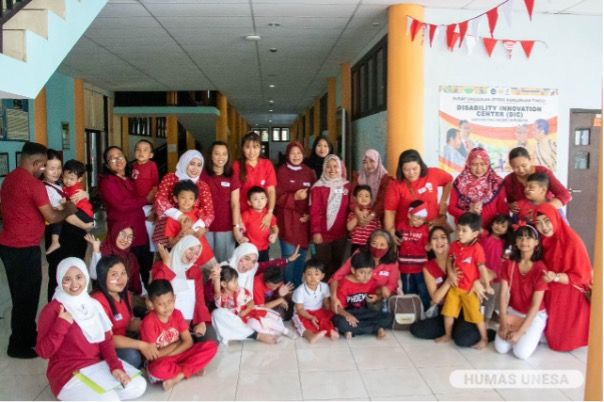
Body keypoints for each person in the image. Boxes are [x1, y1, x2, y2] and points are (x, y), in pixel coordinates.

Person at [0, 142, 77, 358]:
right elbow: (51, 216)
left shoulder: (10, 179)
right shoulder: (33, 184)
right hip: (23, 248)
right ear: (36, 163)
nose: (43, 170)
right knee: (26, 298)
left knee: (23, 296)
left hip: (10, 246)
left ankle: (28, 335)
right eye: (43, 166)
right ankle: (17, 345)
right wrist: (69, 208)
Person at [36, 257, 147, 400]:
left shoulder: (93, 304)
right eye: (67, 279)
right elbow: (43, 352)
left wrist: (115, 367)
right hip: (67, 372)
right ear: (59, 279)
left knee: (138, 385)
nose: (74, 284)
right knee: (110, 399)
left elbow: (106, 342)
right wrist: (61, 325)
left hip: (96, 366)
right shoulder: (52, 309)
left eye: (79, 277)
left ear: (86, 277)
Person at [409, 227, 496, 346]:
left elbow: (492, 274)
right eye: (435, 238)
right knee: (416, 329)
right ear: (429, 245)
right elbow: (435, 299)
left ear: (449, 243)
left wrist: (477, 281)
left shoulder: (461, 257)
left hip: (465, 309)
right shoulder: (428, 267)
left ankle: (482, 333)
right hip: (446, 312)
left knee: (463, 340)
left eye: (443, 238)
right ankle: (454, 331)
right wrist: (449, 280)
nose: (439, 241)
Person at [141, 279, 218, 391]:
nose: (167, 307)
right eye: (161, 304)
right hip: (162, 360)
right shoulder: (148, 322)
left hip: (181, 353)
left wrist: (175, 350)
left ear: (175, 298)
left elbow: (188, 341)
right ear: (152, 304)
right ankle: (190, 369)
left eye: (170, 301)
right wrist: (174, 346)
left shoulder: (177, 314)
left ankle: (179, 376)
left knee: (211, 347)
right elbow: (154, 356)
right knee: (157, 369)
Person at [534, 203, 591, 351]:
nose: (544, 227)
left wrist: (556, 277)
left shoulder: (572, 242)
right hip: (552, 284)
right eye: (538, 223)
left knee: (561, 343)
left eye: (547, 221)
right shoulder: (545, 240)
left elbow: (582, 277)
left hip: (571, 290)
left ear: (555, 218)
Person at [436, 212, 492, 349]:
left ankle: (484, 339)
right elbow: (449, 260)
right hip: (455, 288)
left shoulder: (477, 249)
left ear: (475, 234)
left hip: (469, 291)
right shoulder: (454, 245)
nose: (459, 233)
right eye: (458, 229)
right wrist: (450, 273)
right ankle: (448, 335)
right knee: (448, 312)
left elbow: (482, 268)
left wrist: (486, 284)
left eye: (464, 231)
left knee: (476, 316)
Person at [42, 149, 92, 302]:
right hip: (61, 240)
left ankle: (74, 308)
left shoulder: (62, 185)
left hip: (75, 239)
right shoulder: (42, 188)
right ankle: (55, 311)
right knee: (59, 277)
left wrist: (86, 194)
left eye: (58, 168)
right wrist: (86, 225)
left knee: (75, 274)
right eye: (52, 168)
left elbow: (78, 203)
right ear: (42, 168)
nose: (56, 172)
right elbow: (56, 215)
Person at [100, 146, 153, 286]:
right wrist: (146, 199)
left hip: (139, 230)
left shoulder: (129, 178)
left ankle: (143, 300)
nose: (118, 160)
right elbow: (121, 204)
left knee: (144, 266)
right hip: (122, 234)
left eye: (120, 156)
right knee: (126, 270)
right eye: (112, 158)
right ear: (106, 164)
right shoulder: (107, 182)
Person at [92, 255, 156, 369]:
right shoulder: (98, 301)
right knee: (132, 357)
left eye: (123, 273)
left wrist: (151, 323)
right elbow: (108, 340)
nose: (121, 279)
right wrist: (141, 345)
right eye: (114, 275)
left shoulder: (125, 294)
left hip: (123, 338)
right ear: (102, 277)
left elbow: (129, 323)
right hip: (104, 347)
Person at [495, 224, 548, 360]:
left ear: (536, 242)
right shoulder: (509, 264)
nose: (524, 242)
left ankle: (538, 333)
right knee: (500, 348)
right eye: (520, 238)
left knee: (521, 353)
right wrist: (503, 324)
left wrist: (520, 332)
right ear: (516, 241)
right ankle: (524, 333)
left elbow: (535, 305)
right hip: (514, 311)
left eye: (529, 238)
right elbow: (504, 295)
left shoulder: (540, 268)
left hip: (534, 315)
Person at [151, 236, 217, 343]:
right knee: (176, 346)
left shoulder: (195, 270)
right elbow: (157, 291)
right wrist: (167, 265)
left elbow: (199, 298)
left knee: (211, 341)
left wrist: (201, 321)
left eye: (196, 253)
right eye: (190, 249)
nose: (192, 255)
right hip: (166, 319)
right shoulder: (160, 266)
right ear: (182, 246)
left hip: (191, 320)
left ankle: (187, 341)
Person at [384, 149, 452, 244]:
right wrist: (391, 232)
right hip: (408, 235)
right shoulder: (395, 185)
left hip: (432, 232)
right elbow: (390, 212)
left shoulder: (432, 173)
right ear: (401, 169)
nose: (411, 173)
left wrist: (443, 203)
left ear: (421, 165)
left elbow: (449, 181)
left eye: (415, 168)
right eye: (406, 170)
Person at [153, 150, 215, 253]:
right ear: (184, 162)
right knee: (167, 262)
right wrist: (179, 216)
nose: (195, 168)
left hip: (192, 230)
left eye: (199, 165)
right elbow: (160, 200)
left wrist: (196, 228)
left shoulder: (202, 186)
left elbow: (209, 212)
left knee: (190, 261)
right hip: (168, 231)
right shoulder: (170, 178)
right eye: (192, 163)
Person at [212, 265, 292, 344]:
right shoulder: (222, 297)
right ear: (224, 284)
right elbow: (217, 292)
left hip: (249, 314)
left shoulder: (241, 291)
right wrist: (217, 278)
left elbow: (251, 302)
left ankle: (284, 330)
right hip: (237, 320)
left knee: (265, 321)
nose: (237, 283)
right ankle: (270, 335)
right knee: (255, 326)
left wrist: (246, 310)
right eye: (234, 281)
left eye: (237, 280)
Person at [329, 229, 399, 313]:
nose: (378, 248)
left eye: (382, 245)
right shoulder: (360, 254)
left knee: (384, 316)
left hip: (376, 299)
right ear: (369, 243)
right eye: (374, 243)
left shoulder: (392, 262)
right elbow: (337, 277)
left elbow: (392, 287)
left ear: (389, 247)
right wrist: (333, 298)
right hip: (353, 298)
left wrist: (379, 296)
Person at [276, 141, 316, 287]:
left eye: (299, 153)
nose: (296, 156)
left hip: (303, 223)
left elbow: (314, 198)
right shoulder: (281, 171)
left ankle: (298, 289)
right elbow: (276, 197)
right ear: (287, 154)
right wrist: (294, 198)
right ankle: (287, 290)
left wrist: (310, 214)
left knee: (301, 258)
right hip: (287, 221)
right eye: (293, 153)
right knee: (289, 258)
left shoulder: (308, 172)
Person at [332, 251, 393, 339]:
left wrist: (377, 297)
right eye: (362, 272)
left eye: (369, 272)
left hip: (363, 312)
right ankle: (375, 328)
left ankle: (353, 331)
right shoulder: (344, 284)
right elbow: (336, 308)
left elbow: (377, 294)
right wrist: (347, 315)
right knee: (340, 322)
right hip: (347, 313)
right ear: (353, 270)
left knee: (388, 317)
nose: (366, 276)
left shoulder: (371, 281)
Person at [201, 141, 244, 262]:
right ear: (211, 155)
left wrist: (236, 227)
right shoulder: (202, 175)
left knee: (224, 264)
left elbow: (235, 204)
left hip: (226, 227)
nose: (221, 157)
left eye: (224, 154)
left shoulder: (231, 175)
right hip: (205, 227)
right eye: (217, 154)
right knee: (206, 264)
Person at [310, 154, 350, 279]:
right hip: (323, 234)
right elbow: (314, 212)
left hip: (341, 234)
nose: (332, 170)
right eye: (328, 167)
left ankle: (333, 292)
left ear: (340, 168)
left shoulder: (347, 186)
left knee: (337, 265)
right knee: (322, 266)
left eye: (335, 166)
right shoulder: (317, 187)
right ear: (324, 168)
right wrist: (316, 232)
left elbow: (351, 207)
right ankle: (321, 293)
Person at [448, 147, 508, 230]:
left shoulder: (496, 183)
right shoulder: (460, 182)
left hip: (491, 233)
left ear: (488, 164)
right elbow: (451, 208)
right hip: (466, 232)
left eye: (482, 164)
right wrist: (468, 212)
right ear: (468, 164)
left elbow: (503, 211)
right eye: (474, 164)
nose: (479, 169)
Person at [46, 159, 94, 255]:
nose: (67, 181)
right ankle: (55, 241)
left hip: (84, 215)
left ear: (79, 179)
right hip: (80, 217)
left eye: (71, 179)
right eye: (65, 177)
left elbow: (70, 207)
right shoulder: (65, 186)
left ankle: (55, 241)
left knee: (61, 212)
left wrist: (64, 203)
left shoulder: (74, 189)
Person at [164, 180, 216, 270]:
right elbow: (171, 244)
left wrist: (204, 230)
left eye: (191, 198)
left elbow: (206, 227)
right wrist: (183, 231)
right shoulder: (172, 219)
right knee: (194, 282)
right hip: (187, 261)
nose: (187, 201)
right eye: (183, 197)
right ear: (176, 198)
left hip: (206, 255)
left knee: (215, 277)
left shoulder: (198, 213)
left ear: (195, 200)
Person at [503, 147, 571, 214]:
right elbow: (507, 201)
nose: (521, 170)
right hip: (524, 218)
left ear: (530, 160)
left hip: (547, 214)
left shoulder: (543, 172)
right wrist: (510, 206)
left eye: (524, 166)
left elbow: (565, 195)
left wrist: (541, 210)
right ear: (511, 165)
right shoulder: (509, 180)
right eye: (516, 167)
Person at [85, 223, 144, 296]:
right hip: (106, 298)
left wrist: (145, 295)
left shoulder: (131, 258)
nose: (125, 239)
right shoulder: (104, 252)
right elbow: (95, 276)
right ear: (114, 233)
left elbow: (138, 281)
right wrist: (96, 249)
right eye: (122, 234)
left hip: (126, 299)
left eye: (130, 237)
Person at [233, 132, 277, 225]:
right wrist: (238, 218)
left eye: (255, 147)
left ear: (260, 148)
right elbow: (235, 196)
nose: (251, 151)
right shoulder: (237, 165)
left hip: (263, 215)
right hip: (243, 215)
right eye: (248, 147)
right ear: (242, 148)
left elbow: (271, 191)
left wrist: (270, 213)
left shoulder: (267, 164)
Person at [292, 259, 338, 343]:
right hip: (303, 312)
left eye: (316, 274)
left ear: (322, 276)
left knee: (325, 319)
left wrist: (329, 311)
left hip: (318, 310)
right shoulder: (300, 291)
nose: (313, 277)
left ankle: (330, 331)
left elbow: (326, 302)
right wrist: (310, 317)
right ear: (304, 275)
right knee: (305, 324)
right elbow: (300, 309)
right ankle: (311, 337)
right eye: (309, 274)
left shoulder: (324, 286)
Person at [396, 200, 431, 310]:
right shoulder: (401, 226)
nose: (419, 221)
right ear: (409, 215)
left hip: (421, 268)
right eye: (417, 218)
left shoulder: (425, 229)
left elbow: (427, 247)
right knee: (408, 291)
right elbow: (396, 243)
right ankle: (410, 313)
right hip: (404, 268)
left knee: (423, 291)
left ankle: (426, 313)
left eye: (422, 219)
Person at [480, 214, 513, 322]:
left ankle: (486, 319)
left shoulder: (506, 244)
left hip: (497, 277)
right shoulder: (485, 236)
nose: (499, 227)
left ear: (507, 230)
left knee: (491, 299)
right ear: (492, 223)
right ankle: (477, 318)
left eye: (503, 226)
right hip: (481, 274)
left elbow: (506, 260)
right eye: (497, 223)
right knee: (480, 297)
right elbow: (475, 227)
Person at [131, 139, 159, 262]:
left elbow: (155, 186)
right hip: (135, 204)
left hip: (149, 204)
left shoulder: (152, 165)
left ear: (151, 155)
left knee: (149, 231)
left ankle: (152, 254)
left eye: (145, 150)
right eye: (138, 149)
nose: (141, 152)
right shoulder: (132, 166)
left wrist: (154, 207)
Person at [349, 149, 392, 220]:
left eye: (372, 161)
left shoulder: (385, 179)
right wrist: (358, 212)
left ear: (378, 161)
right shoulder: (358, 177)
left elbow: (382, 201)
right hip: (359, 217)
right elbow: (353, 198)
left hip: (378, 218)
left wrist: (372, 215)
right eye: (365, 162)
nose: (368, 165)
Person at [241, 186, 279, 262]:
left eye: (262, 198)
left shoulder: (269, 214)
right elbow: (240, 229)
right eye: (255, 199)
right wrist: (241, 237)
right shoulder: (246, 215)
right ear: (249, 202)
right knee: (250, 270)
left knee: (263, 269)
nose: (260, 201)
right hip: (249, 249)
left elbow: (275, 228)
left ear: (266, 200)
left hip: (264, 249)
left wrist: (275, 235)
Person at [347, 185, 382, 254]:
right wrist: (359, 215)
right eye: (360, 196)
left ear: (371, 199)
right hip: (356, 244)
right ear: (355, 199)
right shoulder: (353, 213)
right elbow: (349, 227)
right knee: (356, 263)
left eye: (366, 196)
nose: (364, 198)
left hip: (371, 244)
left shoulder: (374, 214)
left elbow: (378, 231)